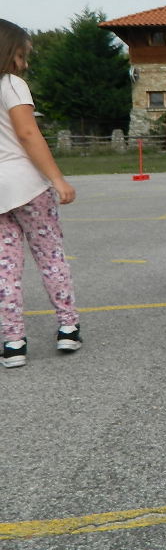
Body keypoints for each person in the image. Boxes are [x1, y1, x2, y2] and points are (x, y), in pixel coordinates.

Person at [0, 19, 81, 368]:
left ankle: (13, 342)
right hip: (28, 185)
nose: (25, 64)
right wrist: (57, 179)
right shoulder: (12, 84)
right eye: (21, 55)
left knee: (5, 268)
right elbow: (28, 134)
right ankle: (67, 327)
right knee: (50, 257)